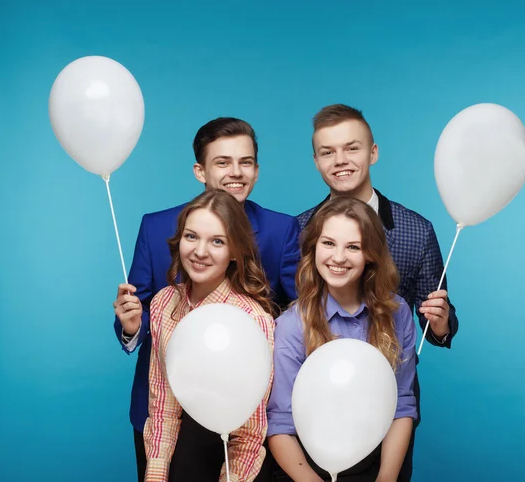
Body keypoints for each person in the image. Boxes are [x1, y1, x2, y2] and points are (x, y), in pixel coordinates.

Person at [113, 117, 300, 481]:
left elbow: (295, 316)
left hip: (242, 422)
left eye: (245, 162)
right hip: (163, 416)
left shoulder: (281, 230)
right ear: (200, 170)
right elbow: (145, 311)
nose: (236, 172)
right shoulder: (155, 229)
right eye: (222, 162)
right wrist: (134, 328)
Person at [296, 104, 459, 480]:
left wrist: (440, 324)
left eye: (351, 148)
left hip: (389, 405)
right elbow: (291, 314)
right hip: (318, 402)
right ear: (317, 161)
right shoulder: (301, 229)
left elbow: (437, 319)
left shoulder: (416, 230)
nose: (340, 160)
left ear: (373, 152)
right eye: (327, 152)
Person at [267, 197, 417, 481]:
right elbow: (281, 426)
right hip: (306, 468)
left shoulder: (397, 313)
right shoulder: (291, 325)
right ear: (313, 248)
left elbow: (402, 406)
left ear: (371, 254)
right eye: (328, 243)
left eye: (353, 247)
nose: (338, 257)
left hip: (373, 462)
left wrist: (385, 478)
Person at [142, 189, 275, 481]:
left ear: (235, 252)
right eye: (191, 237)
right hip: (183, 456)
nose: (200, 251)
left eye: (217, 241)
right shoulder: (164, 303)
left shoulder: (253, 320)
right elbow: (163, 402)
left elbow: (251, 432)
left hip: (233, 464)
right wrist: (156, 471)